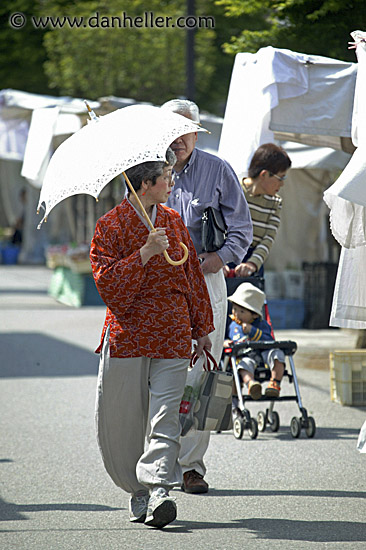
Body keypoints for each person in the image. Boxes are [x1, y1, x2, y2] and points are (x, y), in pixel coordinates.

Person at [90, 148, 214, 529]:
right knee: (125, 419)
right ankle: (137, 489)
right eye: (166, 177)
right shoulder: (110, 226)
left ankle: (159, 487)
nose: (172, 182)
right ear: (145, 184)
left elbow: (192, 274)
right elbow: (107, 284)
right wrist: (144, 252)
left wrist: (202, 328)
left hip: (173, 331)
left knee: (165, 416)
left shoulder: (175, 221)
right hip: (129, 335)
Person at [161, 99, 253, 494]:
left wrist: (217, 258)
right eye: (170, 130)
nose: (177, 139)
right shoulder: (149, 173)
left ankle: (191, 466)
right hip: (161, 286)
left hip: (206, 279)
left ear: (197, 132)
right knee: (162, 374)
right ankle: (158, 462)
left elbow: (242, 232)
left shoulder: (217, 169)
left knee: (202, 373)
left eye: (184, 131)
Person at [226, 143, 291, 278]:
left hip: (252, 263)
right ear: (264, 174)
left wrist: (252, 264)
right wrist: (219, 261)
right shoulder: (232, 190)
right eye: (281, 177)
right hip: (225, 257)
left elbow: (268, 239)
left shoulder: (275, 203)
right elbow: (217, 229)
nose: (282, 184)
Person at [226, 282, 285, 400]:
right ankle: (251, 384)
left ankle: (274, 383)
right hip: (246, 355)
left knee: (278, 354)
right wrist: (225, 342)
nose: (236, 314)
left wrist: (252, 331)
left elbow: (269, 340)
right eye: (234, 309)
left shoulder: (262, 325)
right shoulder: (232, 326)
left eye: (241, 311)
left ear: (254, 315)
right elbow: (227, 338)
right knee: (244, 365)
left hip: (265, 355)